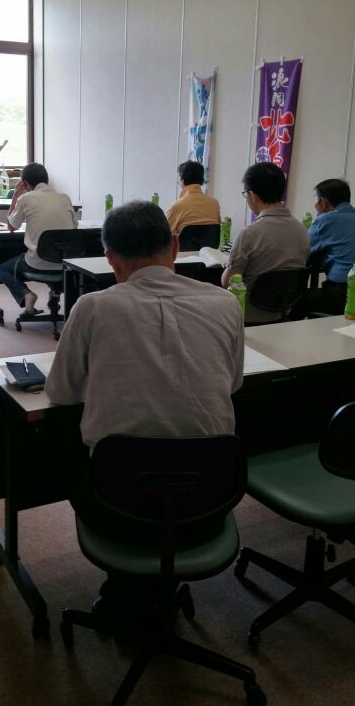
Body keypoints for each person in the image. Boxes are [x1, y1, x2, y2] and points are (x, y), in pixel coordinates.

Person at [45, 200, 243, 620]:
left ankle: (128, 587)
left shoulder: (92, 308)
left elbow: (60, 393)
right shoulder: (226, 304)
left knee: (67, 441)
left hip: (116, 508)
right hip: (209, 503)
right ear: (175, 245)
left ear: (109, 258)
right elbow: (233, 384)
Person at [222, 162, 310, 323]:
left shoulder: (249, 234)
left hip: (248, 314)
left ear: (253, 195)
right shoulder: (302, 231)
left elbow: (228, 282)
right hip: (285, 311)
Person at [0, 163, 78, 314]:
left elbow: (11, 226)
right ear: (47, 180)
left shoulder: (25, 198)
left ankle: (26, 294)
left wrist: (15, 195)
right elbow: (74, 227)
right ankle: (54, 294)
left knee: (3, 269)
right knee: (51, 257)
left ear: (25, 184)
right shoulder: (65, 198)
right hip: (64, 264)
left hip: (36, 264)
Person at [289, 178, 355, 319]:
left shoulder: (327, 220)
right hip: (348, 291)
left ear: (323, 202)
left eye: (315, 200)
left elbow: (302, 250)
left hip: (342, 294)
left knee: (296, 301)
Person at [165, 160, 220, 233]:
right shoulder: (214, 204)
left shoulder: (176, 207)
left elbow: (163, 235)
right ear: (202, 180)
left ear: (182, 180)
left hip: (182, 241)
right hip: (210, 241)